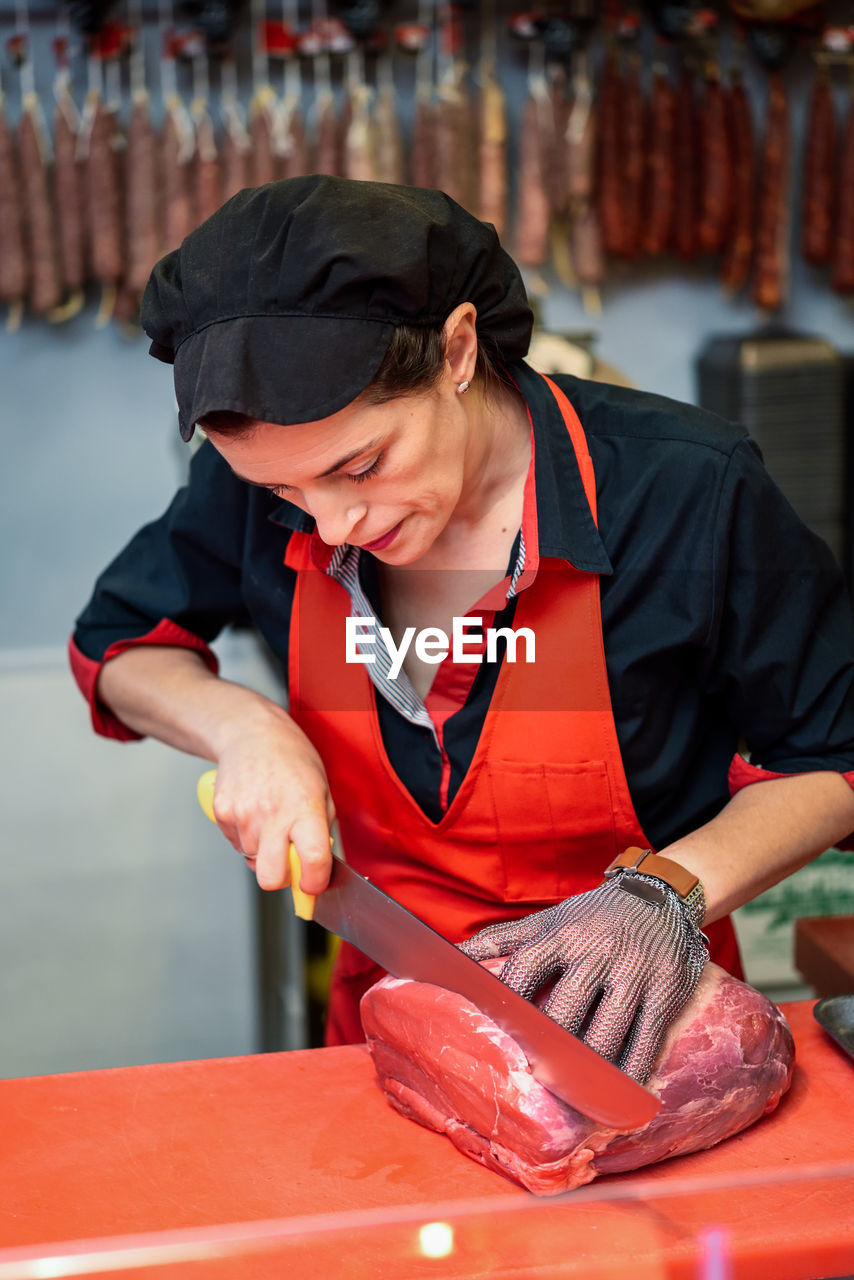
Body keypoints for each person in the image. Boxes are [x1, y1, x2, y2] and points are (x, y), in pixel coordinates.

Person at [70, 176, 854, 1081]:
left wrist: (665, 895)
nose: (331, 528)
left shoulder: (684, 490)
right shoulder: (272, 492)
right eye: (283, 494)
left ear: (457, 349)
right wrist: (245, 729)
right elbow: (117, 643)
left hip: (643, 1033)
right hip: (386, 1027)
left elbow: (831, 756)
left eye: (362, 466)